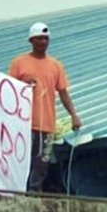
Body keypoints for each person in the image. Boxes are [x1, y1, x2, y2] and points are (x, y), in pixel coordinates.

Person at [9, 22, 82, 192]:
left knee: (42, 163)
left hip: (47, 125)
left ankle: (34, 194)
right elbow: (8, 89)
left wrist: (74, 115)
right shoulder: (19, 63)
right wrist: (24, 85)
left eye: (45, 38)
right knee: (22, 160)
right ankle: (19, 192)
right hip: (24, 124)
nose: (43, 42)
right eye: (39, 38)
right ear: (31, 40)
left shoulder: (55, 65)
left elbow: (63, 92)